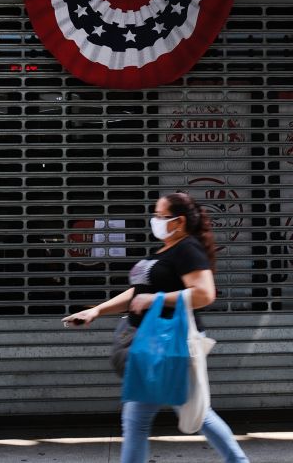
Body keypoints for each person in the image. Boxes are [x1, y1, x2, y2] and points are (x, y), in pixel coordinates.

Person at [62, 192, 250, 463]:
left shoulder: (187, 249)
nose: (155, 220)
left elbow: (205, 294)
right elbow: (137, 293)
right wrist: (97, 310)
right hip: (149, 343)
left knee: (192, 413)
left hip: (168, 342)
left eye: (161, 216)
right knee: (140, 419)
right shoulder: (165, 250)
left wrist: (155, 299)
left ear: (179, 222)